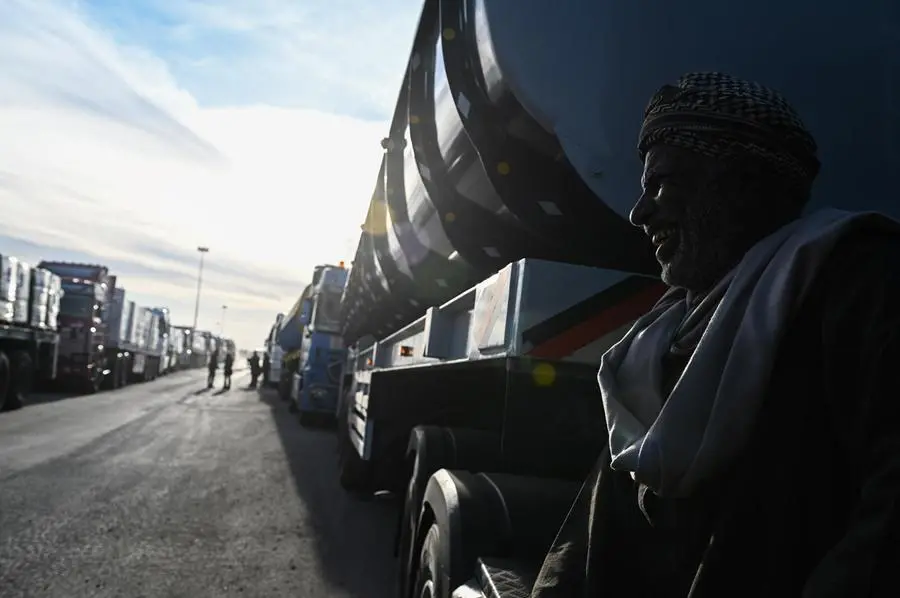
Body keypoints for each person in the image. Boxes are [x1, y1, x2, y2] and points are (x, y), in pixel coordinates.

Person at [530, 72, 900, 597]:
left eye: (662, 184)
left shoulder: (861, 281)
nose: (640, 213)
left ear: (744, 185)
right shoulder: (658, 340)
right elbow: (592, 542)